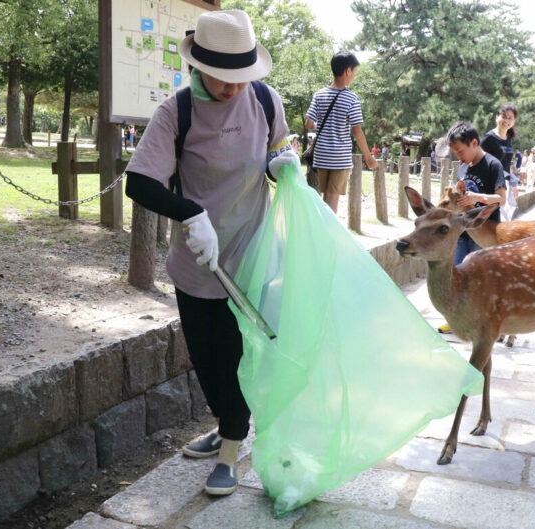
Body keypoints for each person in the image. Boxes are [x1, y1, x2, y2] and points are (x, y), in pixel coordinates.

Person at [124, 9, 294, 496]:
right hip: (199, 260)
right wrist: (189, 214)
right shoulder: (176, 111)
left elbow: (280, 146)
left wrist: (283, 165)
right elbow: (139, 181)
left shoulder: (263, 98)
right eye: (224, 79)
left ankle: (230, 450)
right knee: (207, 357)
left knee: (238, 356)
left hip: (254, 254)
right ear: (199, 67)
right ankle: (226, 424)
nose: (234, 89)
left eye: (242, 78)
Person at [437, 121, 507, 333]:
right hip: (462, 232)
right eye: (455, 152)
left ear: (474, 143)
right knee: (457, 273)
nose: (459, 156)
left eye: (460, 151)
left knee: (483, 278)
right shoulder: (463, 169)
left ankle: (486, 322)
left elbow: (501, 199)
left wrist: (477, 198)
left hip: (485, 234)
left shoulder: (493, 165)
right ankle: (457, 319)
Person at [304, 51, 378, 213]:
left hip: (322, 155)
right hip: (339, 156)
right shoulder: (351, 98)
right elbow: (357, 132)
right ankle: (328, 236)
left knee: (326, 196)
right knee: (332, 199)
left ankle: (323, 232)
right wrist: (368, 157)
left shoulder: (319, 94)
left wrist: (323, 125)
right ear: (347, 71)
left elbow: (308, 123)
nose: (354, 76)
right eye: (355, 72)